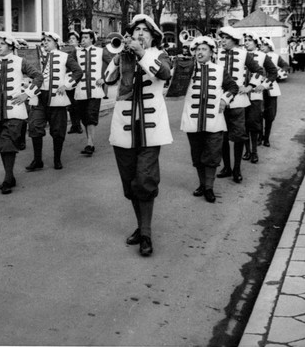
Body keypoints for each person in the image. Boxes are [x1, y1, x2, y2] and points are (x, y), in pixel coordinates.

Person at [104, 14, 172, 257]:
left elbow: (164, 74)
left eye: (145, 30)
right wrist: (120, 55)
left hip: (151, 129)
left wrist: (141, 54)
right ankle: (141, 226)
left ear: (153, 35)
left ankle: (146, 234)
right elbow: (108, 80)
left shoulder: (159, 55)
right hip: (123, 127)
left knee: (144, 180)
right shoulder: (123, 54)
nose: (139, 33)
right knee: (131, 182)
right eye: (136, 30)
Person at [179, 36, 239, 203]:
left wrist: (224, 100)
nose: (200, 52)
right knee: (197, 154)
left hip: (214, 120)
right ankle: (201, 184)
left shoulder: (219, 70)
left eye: (204, 49)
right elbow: (174, 85)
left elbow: (233, 87)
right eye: (198, 49)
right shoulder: (187, 69)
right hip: (193, 119)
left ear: (212, 53)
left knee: (212, 155)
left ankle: (209, 188)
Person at [0, 34, 43, 193]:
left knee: (7, 143)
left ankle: (8, 179)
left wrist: (27, 94)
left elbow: (38, 76)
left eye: (2, 44)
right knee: (1, 145)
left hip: (14, 110)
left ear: (11, 46)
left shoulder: (20, 61)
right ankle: (9, 175)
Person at [25, 31, 83, 171]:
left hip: (57, 99)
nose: (45, 42)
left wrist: (66, 85)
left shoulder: (64, 56)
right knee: (35, 127)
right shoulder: (36, 56)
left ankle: (57, 159)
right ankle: (37, 160)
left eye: (48, 40)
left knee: (58, 131)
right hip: (39, 98)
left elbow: (78, 72)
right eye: (43, 40)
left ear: (56, 42)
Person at [215, 26, 265, 183]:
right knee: (222, 136)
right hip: (220, 100)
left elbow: (259, 71)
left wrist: (250, 86)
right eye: (221, 37)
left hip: (238, 102)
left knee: (238, 136)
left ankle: (237, 169)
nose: (222, 40)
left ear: (234, 40)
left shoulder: (244, 54)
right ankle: (226, 167)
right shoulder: (216, 53)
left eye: (226, 38)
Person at [241, 32, 278, 164]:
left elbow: (273, 71)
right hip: (241, 93)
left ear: (256, 42)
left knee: (254, 123)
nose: (246, 42)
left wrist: (264, 85)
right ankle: (247, 151)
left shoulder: (263, 56)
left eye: (249, 40)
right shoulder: (240, 54)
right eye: (245, 40)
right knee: (243, 124)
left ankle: (255, 152)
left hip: (255, 94)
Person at [72, 28, 107, 157]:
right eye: (82, 38)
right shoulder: (76, 52)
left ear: (92, 39)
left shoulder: (100, 51)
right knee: (84, 117)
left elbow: (113, 65)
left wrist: (105, 78)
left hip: (95, 89)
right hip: (80, 89)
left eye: (86, 37)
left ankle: (90, 144)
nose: (83, 40)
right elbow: (67, 65)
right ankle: (89, 142)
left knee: (91, 115)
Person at [259, 37, 289, 147]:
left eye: (264, 45)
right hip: (259, 87)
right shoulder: (258, 55)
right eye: (261, 45)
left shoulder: (275, 57)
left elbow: (285, 66)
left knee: (270, 115)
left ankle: (266, 138)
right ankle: (259, 136)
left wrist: (279, 73)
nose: (261, 47)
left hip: (272, 88)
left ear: (269, 46)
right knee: (258, 114)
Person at [65, 31, 84, 135]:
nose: (71, 40)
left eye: (73, 39)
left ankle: (79, 125)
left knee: (77, 104)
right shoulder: (67, 51)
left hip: (78, 80)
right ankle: (74, 125)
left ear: (77, 40)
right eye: (70, 39)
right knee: (71, 104)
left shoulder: (80, 51)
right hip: (68, 79)